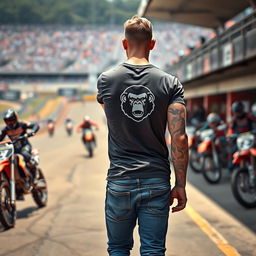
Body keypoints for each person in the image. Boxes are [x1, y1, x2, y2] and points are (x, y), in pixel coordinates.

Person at [97, 16, 188, 256]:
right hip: (156, 181)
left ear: (124, 44)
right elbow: (179, 138)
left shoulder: (106, 80)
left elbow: (113, 119)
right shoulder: (171, 83)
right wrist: (180, 184)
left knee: (117, 248)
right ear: (152, 44)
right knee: (153, 250)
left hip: (120, 179)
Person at [0, 109, 40, 190]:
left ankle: (34, 173)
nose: (10, 123)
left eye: (12, 120)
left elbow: (35, 126)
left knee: (25, 154)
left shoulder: (22, 124)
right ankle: (16, 181)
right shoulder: (5, 130)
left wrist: (32, 132)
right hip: (13, 149)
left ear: (16, 119)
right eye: (8, 121)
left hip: (24, 146)